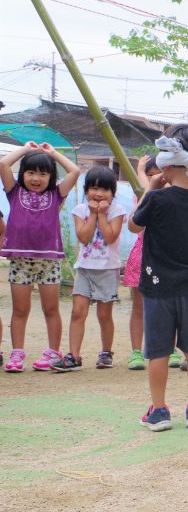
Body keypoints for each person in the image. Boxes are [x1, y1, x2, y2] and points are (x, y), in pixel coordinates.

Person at [129, 125, 188, 431]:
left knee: (157, 351)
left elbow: (133, 226)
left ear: (167, 161)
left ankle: (158, 410)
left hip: (157, 288)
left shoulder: (156, 200)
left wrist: (150, 189)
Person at [0, 142, 80, 372]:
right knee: (20, 310)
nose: (36, 178)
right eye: (30, 172)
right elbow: (4, 163)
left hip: (49, 262)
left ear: (51, 176)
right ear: (22, 174)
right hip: (21, 263)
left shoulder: (57, 195)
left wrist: (53, 153)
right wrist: (25, 149)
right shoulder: (14, 192)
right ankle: (17, 354)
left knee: (51, 309)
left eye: (43, 173)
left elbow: (74, 171)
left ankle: (53, 353)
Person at [52, 166, 126, 372]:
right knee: (77, 312)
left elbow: (111, 237)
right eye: (94, 188)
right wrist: (93, 214)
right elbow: (83, 237)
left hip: (107, 269)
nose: (99, 193)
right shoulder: (80, 210)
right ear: (86, 190)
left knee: (104, 315)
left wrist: (102, 214)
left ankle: (106, 352)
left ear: (113, 192)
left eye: (104, 189)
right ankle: (74, 356)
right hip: (84, 268)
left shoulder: (118, 210)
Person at [123, 156, 170, 371]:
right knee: (139, 307)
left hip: (167, 259)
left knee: (169, 308)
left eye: (161, 174)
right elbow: (145, 187)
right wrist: (141, 170)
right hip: (143, 256)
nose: (157, 179)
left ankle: (170, 349)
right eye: (151, 176)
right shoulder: (144, 199)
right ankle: (136, 351)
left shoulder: (174, 199)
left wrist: (144, 170)